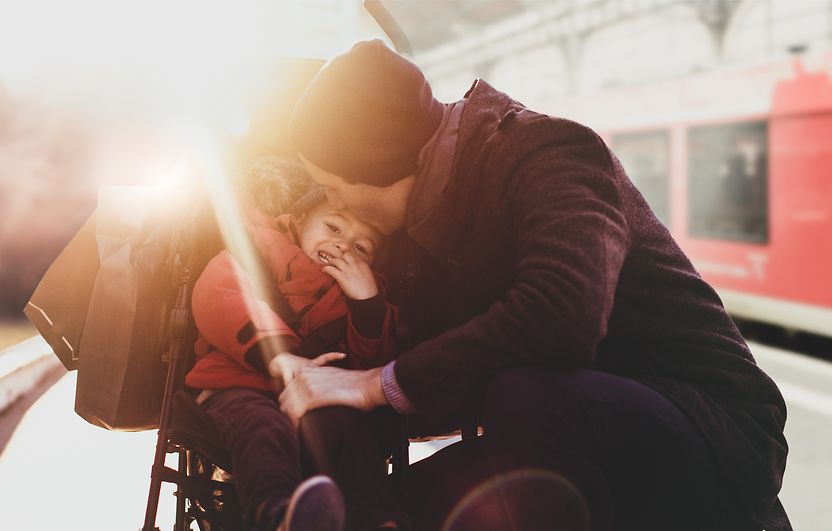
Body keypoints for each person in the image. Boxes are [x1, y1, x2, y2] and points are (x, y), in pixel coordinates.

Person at [281, 39, 791, 531]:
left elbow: (563, 314)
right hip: (567, 429)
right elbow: (427, 364)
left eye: (333, 189)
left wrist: (372, 387)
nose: (336, 207)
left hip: (713, 430)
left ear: (376, 167)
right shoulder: (415, 228)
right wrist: (320, 384)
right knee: (400, 508)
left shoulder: (551, 153)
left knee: (524, 394)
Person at [173, 156, 406, 531]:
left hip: (317, 399)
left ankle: (378, 520)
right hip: (240, 388)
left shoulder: (358, 294)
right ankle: (280, 518)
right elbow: (221, 297)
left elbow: (367, 365)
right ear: (298, 223)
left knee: (349, 430)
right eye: (332, 227)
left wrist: (367, 305)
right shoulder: (259, 249)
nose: (343, 246)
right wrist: (277, 356)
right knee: (265, 429)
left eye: (362, 248)